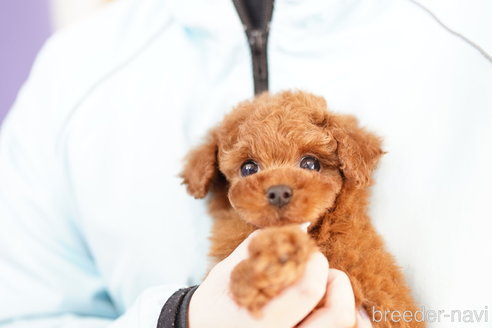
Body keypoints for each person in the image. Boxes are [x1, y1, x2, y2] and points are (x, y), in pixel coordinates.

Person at [0, 0, 491, 327]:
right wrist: (178, 318)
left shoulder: (475, 31)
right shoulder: (72, 72)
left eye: (309, 162)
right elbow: (23, 314)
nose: (278, 187)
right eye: (250, 169)